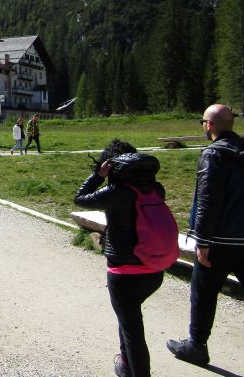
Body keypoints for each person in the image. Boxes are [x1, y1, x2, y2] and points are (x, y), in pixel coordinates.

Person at [166, 104, 244, 377]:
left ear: (209, 125)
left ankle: (196, 346)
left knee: (203, 292)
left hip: (220, 241)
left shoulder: (213, 155)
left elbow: (208, 200)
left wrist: (203, 240)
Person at [74, 139, 168, 377]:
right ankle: (125, 364)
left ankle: (135, 370)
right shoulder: (156, 189)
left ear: (112, 164)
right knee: (128, 320)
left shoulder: (115, 192)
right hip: (154, 270)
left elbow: (80, 198)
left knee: (132, 331)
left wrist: (98, 175)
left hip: (124, 273)